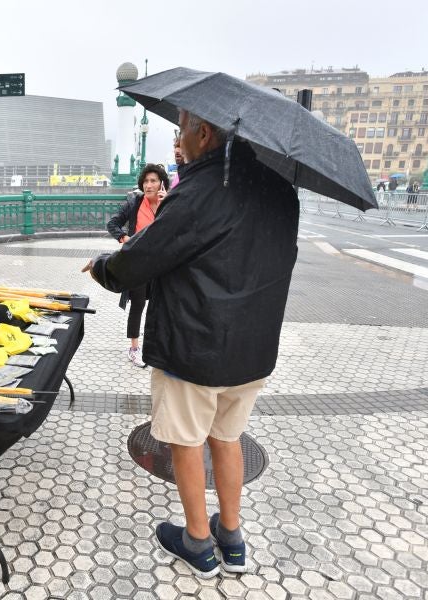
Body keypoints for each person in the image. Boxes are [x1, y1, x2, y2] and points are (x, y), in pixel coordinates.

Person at [84, 109, 299, 578]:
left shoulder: (199, 192)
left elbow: (140, 259)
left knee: (186, 443)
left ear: (204, 133)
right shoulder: (282, 192)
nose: (179, 139)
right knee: (228, 437)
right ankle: (233, 539)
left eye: (182, 128)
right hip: (253, 349)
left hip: (195, 346)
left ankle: (198, 542)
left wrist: (103, 266)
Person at [106, 163, 169, 367]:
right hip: (138, 263)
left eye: (153, 181)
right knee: (138, 305)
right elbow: (113, 223)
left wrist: (166, 205)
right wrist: (126, 239)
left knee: (162, 304)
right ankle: (134, 348)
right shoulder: (134, 203)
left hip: (161, 264)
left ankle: (159, 346)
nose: (149, 185)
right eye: (146, 181)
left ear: (161, 184)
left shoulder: (169, 203)